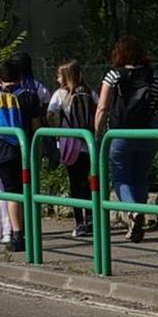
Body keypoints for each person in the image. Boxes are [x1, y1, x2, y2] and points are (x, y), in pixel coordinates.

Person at [94, 35, 158, 243]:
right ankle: (137, 217)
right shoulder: (154, 77)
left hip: (120, 133)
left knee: (121, 177)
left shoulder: (113, 76)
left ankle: (132, 211)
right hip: (150, 133)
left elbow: (102, 107)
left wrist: (97, 134)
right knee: (140, 176)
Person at [0, 61, 42, 253]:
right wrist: (38, 151)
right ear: (19, 76)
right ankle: (31, 231)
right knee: (28, 191)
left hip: (2, 150)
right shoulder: (29, 96)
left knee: (12, 192)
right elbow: (37, 126)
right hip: (24, 149)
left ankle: (17, 235)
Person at [47, 60, 97, 238]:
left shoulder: (60, 94)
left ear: (66, 77)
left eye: (59, 76)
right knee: (87, 181)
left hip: (69, 144)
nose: (57, 79)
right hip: (88, 143)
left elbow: (50, 114)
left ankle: (79, 222)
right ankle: (91, 218)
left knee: (74, 183)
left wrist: (56, 128)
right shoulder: (90, 92)